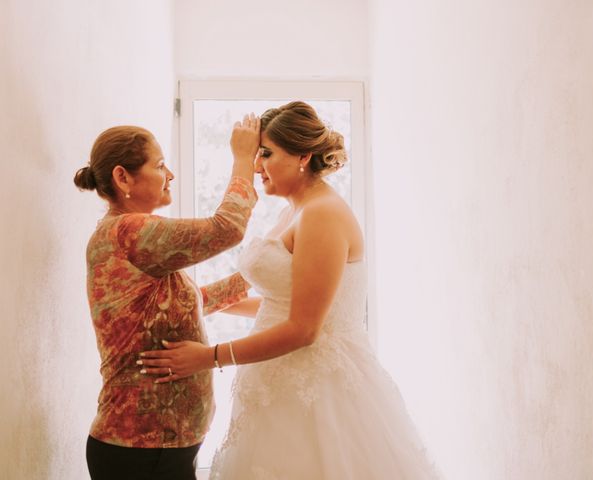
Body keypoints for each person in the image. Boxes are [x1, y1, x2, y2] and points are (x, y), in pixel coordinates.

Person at [139, 102, 439, 479]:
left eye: (265, 154)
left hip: (318, 392)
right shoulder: (294, 210)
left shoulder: (322, 214)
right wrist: (200, 305)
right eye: (256, 154)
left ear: (303, 156)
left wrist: (209, 357)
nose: (256, 165)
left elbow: (305, 327)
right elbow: (283, 303)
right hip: (277, 384)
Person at [73, 116, 260, 480]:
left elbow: (187, 305)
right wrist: (241, 158)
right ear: (122, 178)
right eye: (159, 165)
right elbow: (227, 229)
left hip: (159, 448)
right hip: (140, 450)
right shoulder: (129, 230)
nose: (169, 174)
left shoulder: (127, 237)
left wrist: (258, 273)